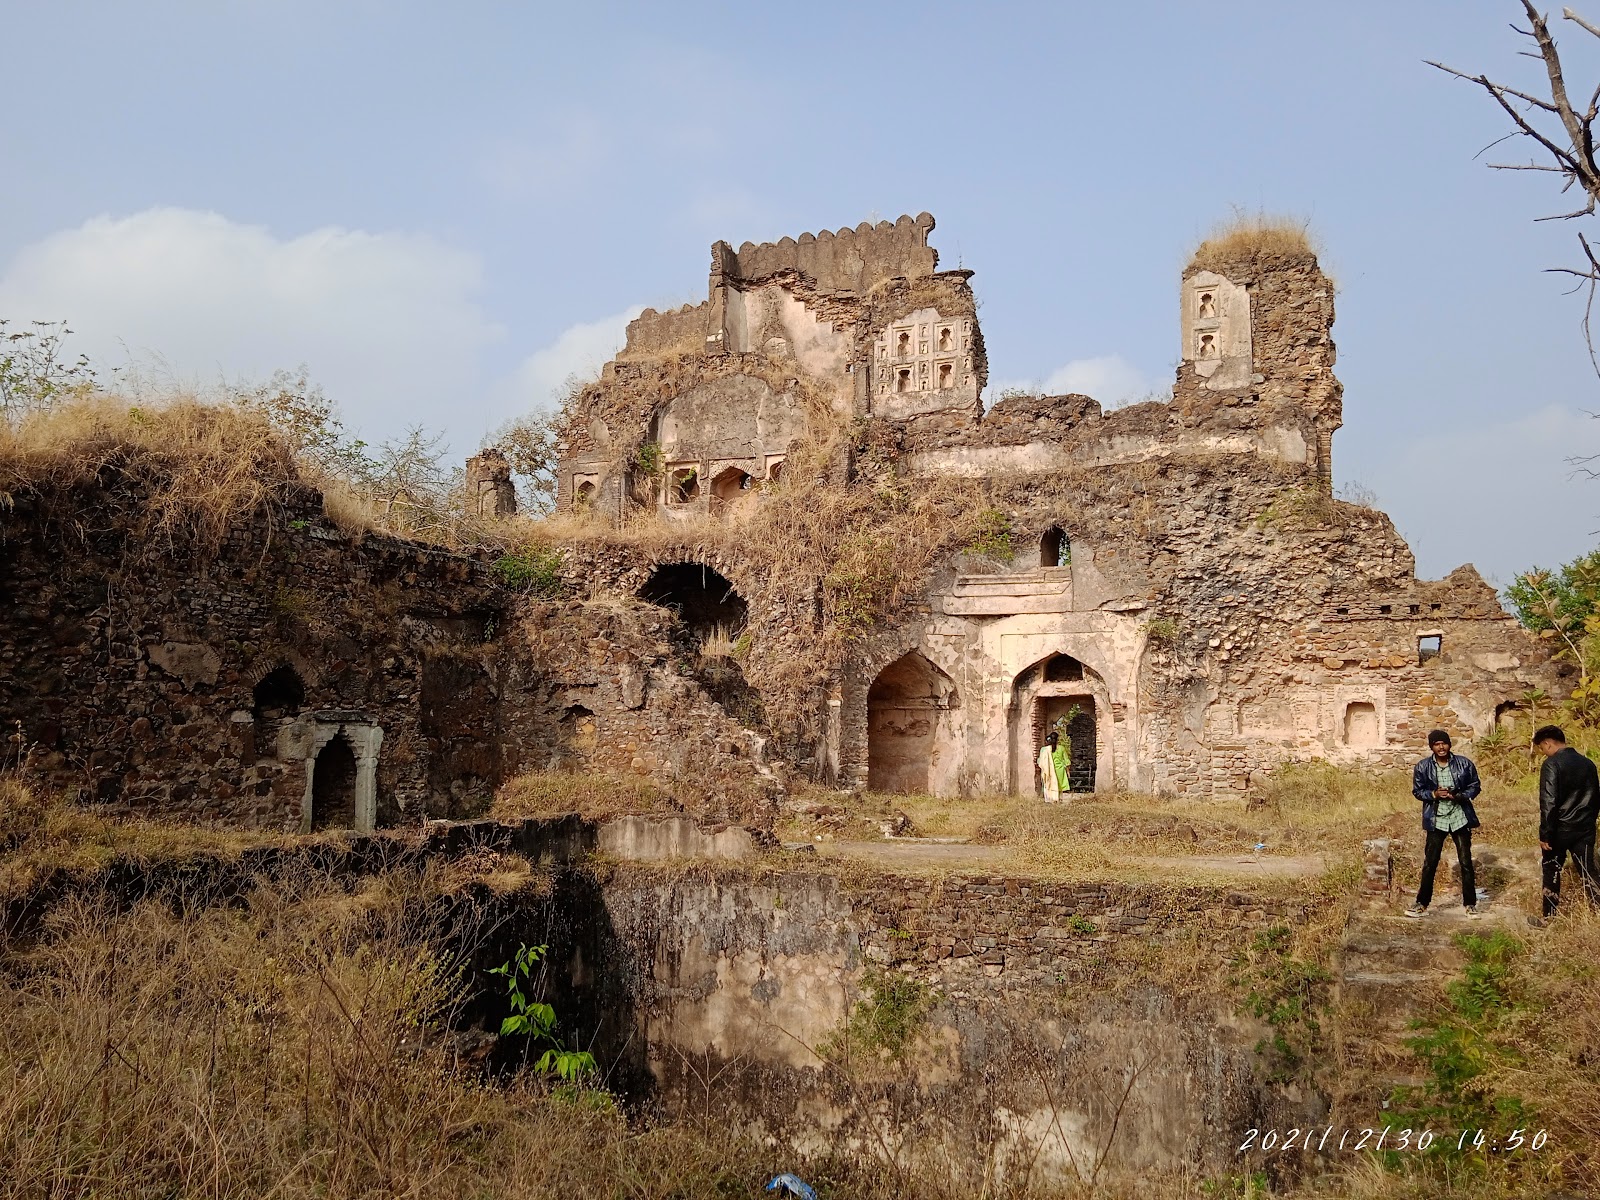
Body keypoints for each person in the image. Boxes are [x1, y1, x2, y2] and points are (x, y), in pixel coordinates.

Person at [1405, 730, 1482, 919]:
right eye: (1437, 744)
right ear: (1431, 747)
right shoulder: (1423, 767)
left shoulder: (1464, 763)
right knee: (1430, 863)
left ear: (1449, 744)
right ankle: (1421, 904)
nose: (1441, 747)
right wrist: (1434, 795)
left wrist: (1459, 796)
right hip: (1436, 818)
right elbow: (1417, 791)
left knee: (1465, 863)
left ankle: (1470, 905)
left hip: (1459, 817)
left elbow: (1475, 786)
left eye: (1444, 743)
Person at [1533, 724, 1600, 917]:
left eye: (1542, 748)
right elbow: (1596, 796)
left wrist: (1545, 833)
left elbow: (1549, 801)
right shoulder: (1588, 763)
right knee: (1589, 871)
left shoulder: (1552, 764)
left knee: (1552, 869)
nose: (1544, 753)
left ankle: (1550, 916)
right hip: (1585, 827)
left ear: (1547, 743)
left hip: (1560, 829)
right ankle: (1596, 914)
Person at [1037, 730, 1070, 804]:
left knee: (1048, 784)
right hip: (1060, 770)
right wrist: (1068, 771)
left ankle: (1049, 799)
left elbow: (1040, 761)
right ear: (1057, 739)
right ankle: (1058, 799)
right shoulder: (1061, 748)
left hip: (1049, 770)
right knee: (1059, 786)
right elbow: (1067, 761)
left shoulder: (1045, 749)